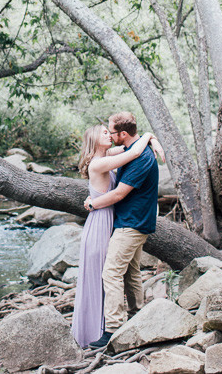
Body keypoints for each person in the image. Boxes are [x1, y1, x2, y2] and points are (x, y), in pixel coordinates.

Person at [70, 124, 162, 348]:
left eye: (109, 131)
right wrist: (149, 135)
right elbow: (134, 152)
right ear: (94, 139)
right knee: (104, 274)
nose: (109, 135)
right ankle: (100, 328)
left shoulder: (107, 154)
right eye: (104, 133)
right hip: (101, 222)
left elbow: (132, 146)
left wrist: (149, 139)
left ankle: (121, 320)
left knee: (121, 272)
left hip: (112, 220)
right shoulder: (99, 162)